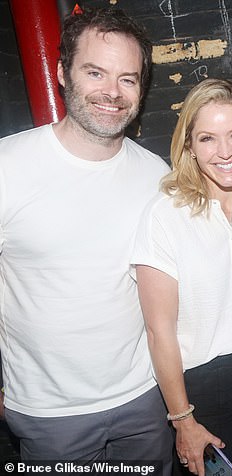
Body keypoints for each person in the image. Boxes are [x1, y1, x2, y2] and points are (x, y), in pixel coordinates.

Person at [0, 7, 173, 472]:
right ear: (61, 72)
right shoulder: (8, 166)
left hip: (146, 401)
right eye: (95, 72)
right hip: (49, 415)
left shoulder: (156, 175)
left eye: (128, 79)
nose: (112, 93)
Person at [131, 78, 232, 476]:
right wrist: (182, 419)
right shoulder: (164, 216)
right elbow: (159, 332)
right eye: (207, 139)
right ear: (189, 146)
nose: (224, 152)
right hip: (205, 390)